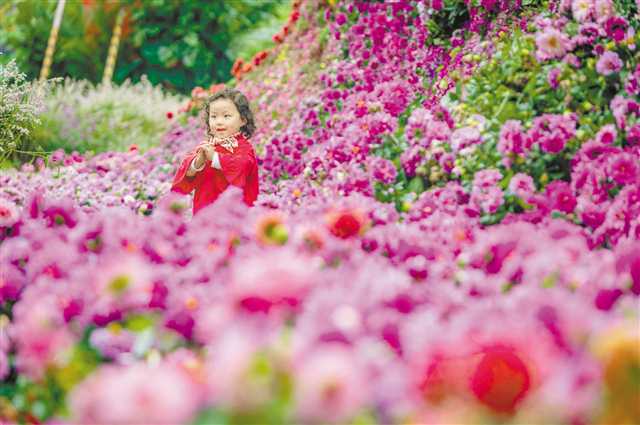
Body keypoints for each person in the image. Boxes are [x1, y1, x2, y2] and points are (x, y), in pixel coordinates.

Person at [171, 87, 259, 215]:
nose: (219, 122)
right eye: (213, 116)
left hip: (233, 221)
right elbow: (185, 177)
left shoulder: (244, 148)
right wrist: (198, 163)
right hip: (204, 218)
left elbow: (242, 165)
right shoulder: (207, 147)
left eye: (226, 116)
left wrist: (216, 158)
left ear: (243, 120)